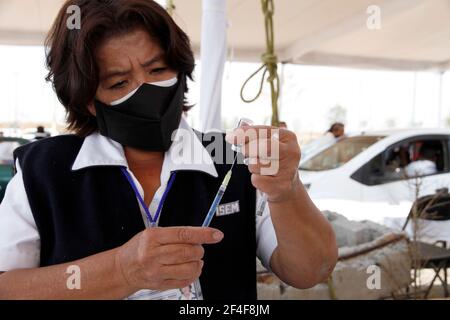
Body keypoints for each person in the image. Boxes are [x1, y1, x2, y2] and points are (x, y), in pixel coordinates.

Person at [0, 0, 337, 300]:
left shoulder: (233, 158)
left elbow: (310, 271)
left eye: (157, 69)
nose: (145, 90)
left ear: (180, 68)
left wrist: (286, 190)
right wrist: (121, 271)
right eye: (119, 83)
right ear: (88, 101)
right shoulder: (43, 171)